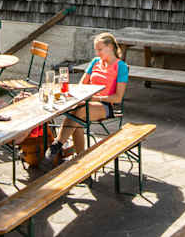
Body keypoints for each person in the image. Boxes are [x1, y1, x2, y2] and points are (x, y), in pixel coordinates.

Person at [45, 32, 128, 165]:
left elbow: (118, 98)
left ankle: (58, 143)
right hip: (86, 102)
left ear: (110, 47)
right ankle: (81, 159)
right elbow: (82, 84)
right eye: (96, 49)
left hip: (106, 105)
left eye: (100, 49)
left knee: (79, 112)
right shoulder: (95, 62)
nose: (97, 52)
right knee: (76, 115)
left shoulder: (121, 67)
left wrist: (96, 98)